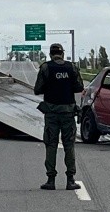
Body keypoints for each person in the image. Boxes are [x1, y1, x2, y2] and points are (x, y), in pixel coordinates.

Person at [34, 43, 84, 191]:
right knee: (69, 146)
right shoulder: (72, 67)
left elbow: (37, 89)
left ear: (50, 54)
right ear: (62, 53)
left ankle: (51, 180)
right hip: (68, 113)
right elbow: (79, 87)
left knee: (51, 145)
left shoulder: (45, 68)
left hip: (51, 113)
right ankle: (70, 180)